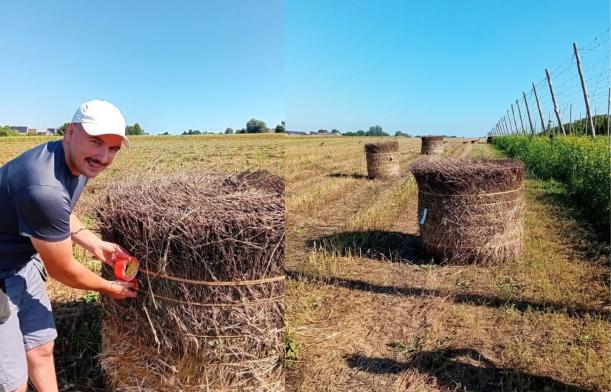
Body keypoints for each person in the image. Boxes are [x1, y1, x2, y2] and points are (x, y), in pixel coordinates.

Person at [0, 100, 139, 392]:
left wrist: (96, 245)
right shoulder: (42, 186)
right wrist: (109, 288)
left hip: (19, 263)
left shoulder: (71, 161)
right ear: (71, 132)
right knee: (11, 382)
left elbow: (60, 213)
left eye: (112, 149)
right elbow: (63, 270)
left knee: (41, 347)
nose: (103, 157)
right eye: (96, 142)